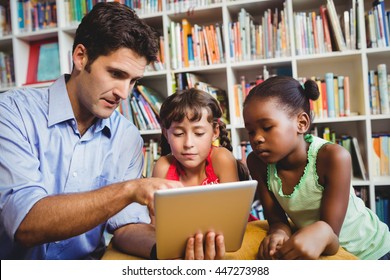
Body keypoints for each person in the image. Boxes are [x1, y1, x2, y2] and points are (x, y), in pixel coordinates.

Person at [0, 2, 183, 260]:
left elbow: (126, 226)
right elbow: (25, 223)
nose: (124, 93)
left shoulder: (126, 137)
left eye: (133, 81)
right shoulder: (12, 113)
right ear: (80, 57)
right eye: (116, 73)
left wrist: (173, 247)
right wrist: (129, 190)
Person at [242, 75, 390, 260]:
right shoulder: (257, 163)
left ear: (301, 123)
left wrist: (319, 234)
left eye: (267, 127)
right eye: (251, 131)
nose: (257, 138)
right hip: (317, 247)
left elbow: (330, 235)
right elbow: (277, 220)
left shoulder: (333, 157)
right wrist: (279, 232)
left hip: (373, 251)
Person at [112, 88, 252, 260]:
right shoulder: (163, 166)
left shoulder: (222, 158)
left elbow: (233, 218)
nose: (188, 144)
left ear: (214, 131)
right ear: (166, 133)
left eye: (199, 133)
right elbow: (157, 228)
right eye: (178, 133)